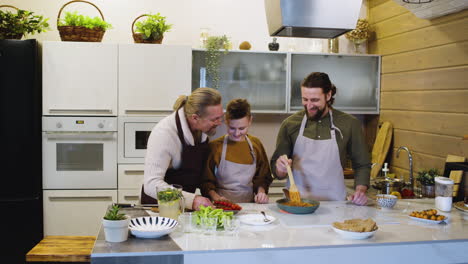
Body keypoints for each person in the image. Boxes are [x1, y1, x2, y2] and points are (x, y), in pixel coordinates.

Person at [271, 72, 370, 205]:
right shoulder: (290, 124)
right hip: (297, 204)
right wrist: (280, 168)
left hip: (335, 205)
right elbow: (277, 171)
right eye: (305, 99)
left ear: (328, 95)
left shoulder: (349, 124)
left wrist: (360, 190)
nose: (309, 106)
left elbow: (362, 164)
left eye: (315, 100)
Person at [143, 87, 224, 210]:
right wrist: (193, 200)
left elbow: (197, 175)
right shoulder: (164, 134)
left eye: (220, 117)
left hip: (182, 206)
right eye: (214, 119)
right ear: (195, 118)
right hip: (158, 208)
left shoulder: (201, 133)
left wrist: (213, 194)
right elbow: (151, 185)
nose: (220, 123)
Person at [201, 99, 273, 203]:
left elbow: (262, 177)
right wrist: (217, 198)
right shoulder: (215, 147)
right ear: (226, 121)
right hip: (221, 207)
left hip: (250, 207)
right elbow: (206, 182)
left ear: (250, 121)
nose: (237, 133)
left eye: (242, 128)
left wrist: (261, 192)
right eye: (232, 128)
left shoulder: (256, 145)